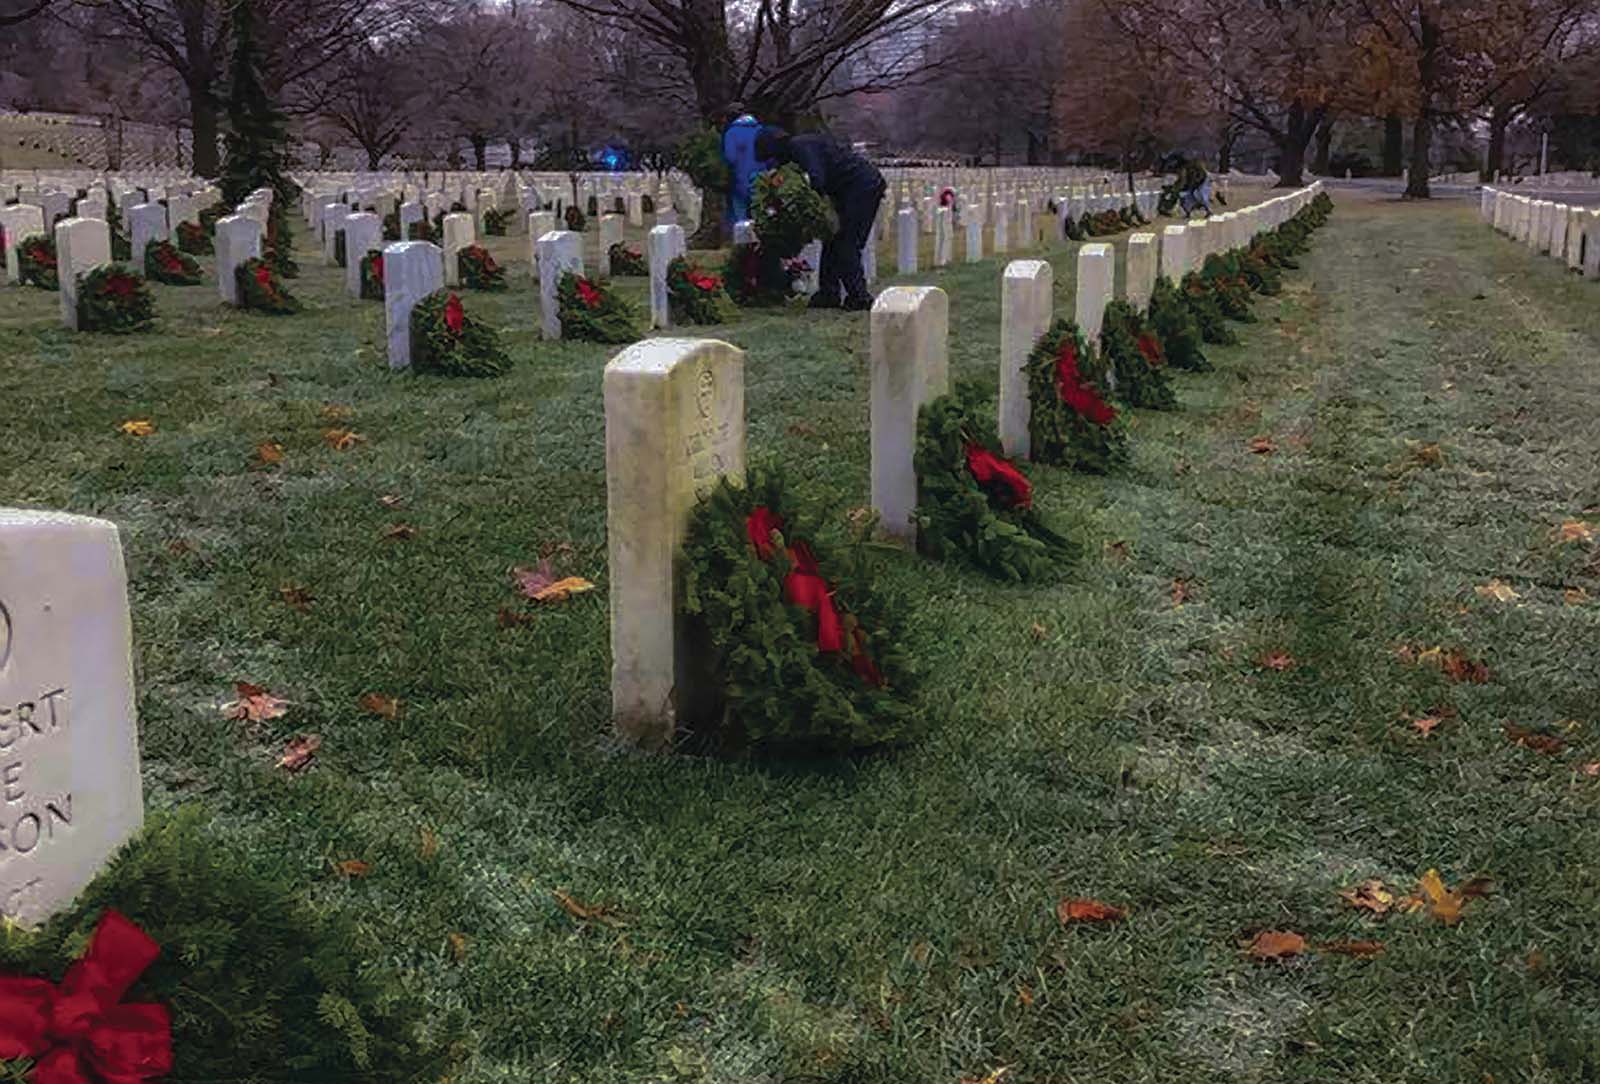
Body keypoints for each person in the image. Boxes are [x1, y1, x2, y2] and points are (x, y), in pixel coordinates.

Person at [754, 126, 886, 311]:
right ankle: (828, 293)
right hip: (847, 189)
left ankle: (859, 296)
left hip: (863, 187)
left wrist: (798, 206)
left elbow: (817, 179)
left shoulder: (800, 147)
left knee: (847, 243)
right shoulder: (798, 148)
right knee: (832, 239)